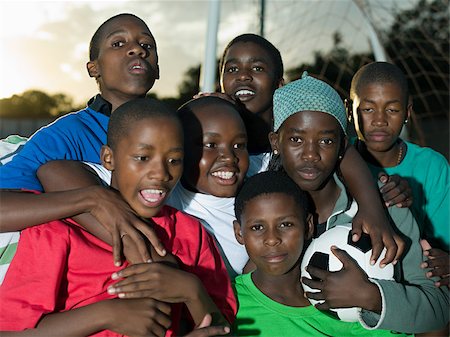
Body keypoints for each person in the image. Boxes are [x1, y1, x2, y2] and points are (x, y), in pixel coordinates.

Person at [0, 98, 236, 337]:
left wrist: (192, 290)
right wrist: (106, 315)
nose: (161, 173)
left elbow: (224, 328)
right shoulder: (58, 231)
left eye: (174, 161)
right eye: (143, 158)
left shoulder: (191, 234)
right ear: (108, 159)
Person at [267, 72, 448, 334]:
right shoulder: (262, 210)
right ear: (276, 142)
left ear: (343, 146)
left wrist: (372, 297)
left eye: (326, 141)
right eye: (296, 139)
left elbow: (439, 308)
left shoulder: (388, 205)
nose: (311, 154)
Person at [214, 33, 408, 267]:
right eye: (232, 69)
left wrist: (372, 206)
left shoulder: (297, 123)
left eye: (257, 68)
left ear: (279, 85)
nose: (243, 76)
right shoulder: (210, 122)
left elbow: (343, 152)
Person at [0, 13, 166, 271]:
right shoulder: (68, 134)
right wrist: (91, 198)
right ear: (93, 68)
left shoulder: (177, 129)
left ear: (157, 68)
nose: (137, 49)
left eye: (147, 46)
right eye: (118, 44)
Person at [59, 96, 251, 277]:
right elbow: (55, 171)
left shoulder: (256, 196)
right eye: (210, 145)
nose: (228, 156)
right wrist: (99, 201)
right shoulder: (155, 184)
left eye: (239, 145)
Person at [233, 170, 411, 337]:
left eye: (285, 225)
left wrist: (375, 301)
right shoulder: (228, 302)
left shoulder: (350, 301)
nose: (272, 239)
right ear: (239, 233)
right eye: (257, 227)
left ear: (308, 226)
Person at [348, 61, 449, 281]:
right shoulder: (337, 156)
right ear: (350, 110)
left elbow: (443, 248)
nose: (379, 120)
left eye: (392, 110)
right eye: (368, 109)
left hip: (411, 282)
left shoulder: (432, 166)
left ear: (407, 112)